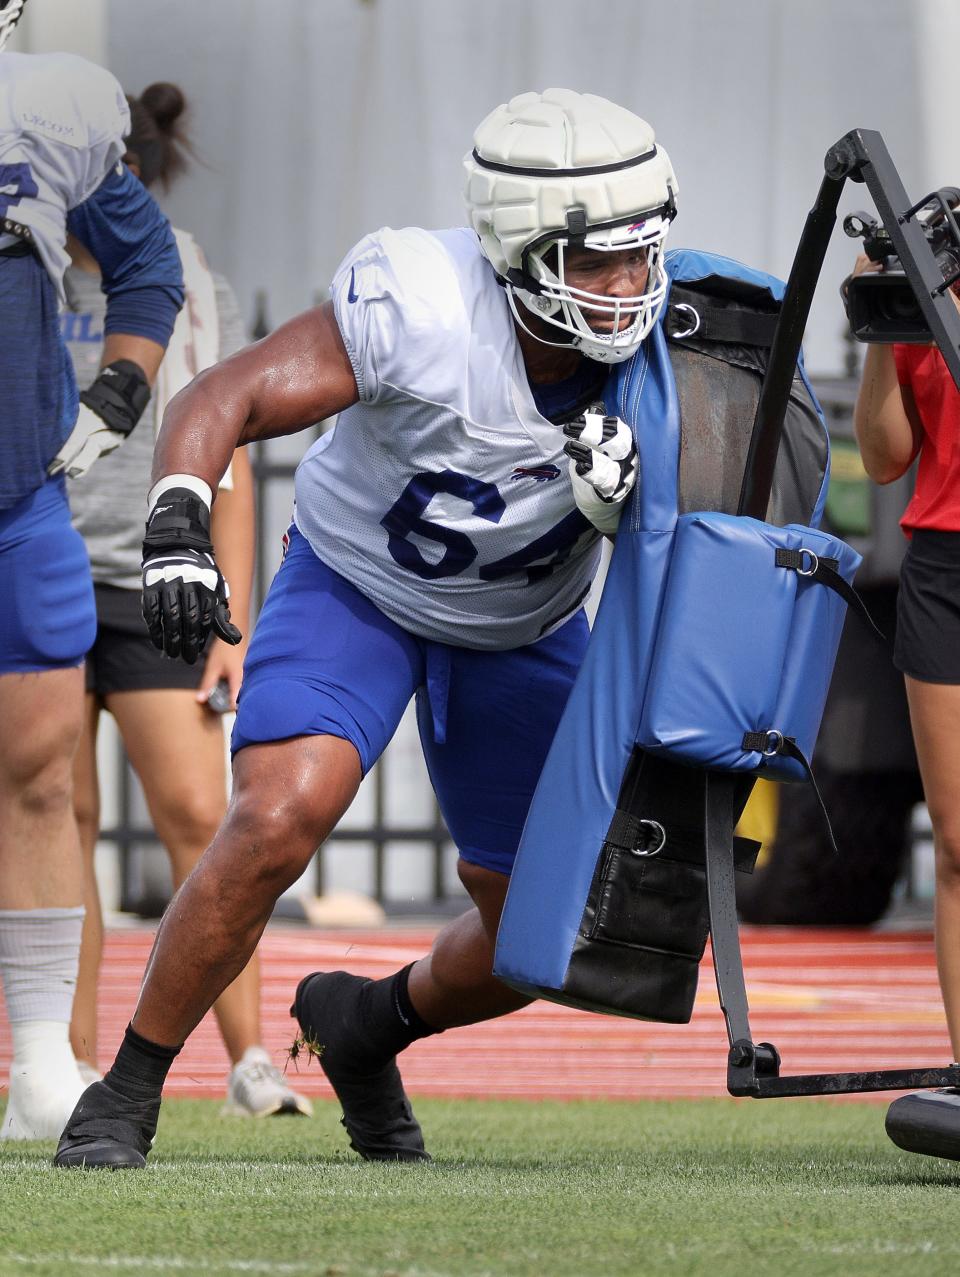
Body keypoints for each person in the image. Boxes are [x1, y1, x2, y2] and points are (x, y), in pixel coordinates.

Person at [55, 87, 671, 1169]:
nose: (632, 286)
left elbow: (730, 523)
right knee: (278, 818)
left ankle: (366, 1024)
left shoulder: (675, 352)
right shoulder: (425, 303)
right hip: (361, 589)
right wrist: (178, 516)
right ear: (521, 248)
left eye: (641, 254)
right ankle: (128, 1086)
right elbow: (230, 391)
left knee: (552, 938)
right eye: (600, 260)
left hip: (523, 625)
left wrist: (664, 484)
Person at [62, 83, 311, 1119]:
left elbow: (232, 465)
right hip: (38, 574)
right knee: (55, 816)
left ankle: (250, 1061)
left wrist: (230, 618)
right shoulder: (18, 267)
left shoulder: (185, 273)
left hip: (150, 588)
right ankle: (63, 1061)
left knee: (205, 816)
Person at [0, 0, 184, 1140]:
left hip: (18, 500)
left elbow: (148, 264)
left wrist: (116, 395)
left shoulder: (42, 114)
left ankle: (34, 1056)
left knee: (37, 775)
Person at [849, 252, 960, 1039]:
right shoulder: (935, 267)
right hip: (944, 566)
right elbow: (887, 457)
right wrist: (882, 317)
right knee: (958, 845)